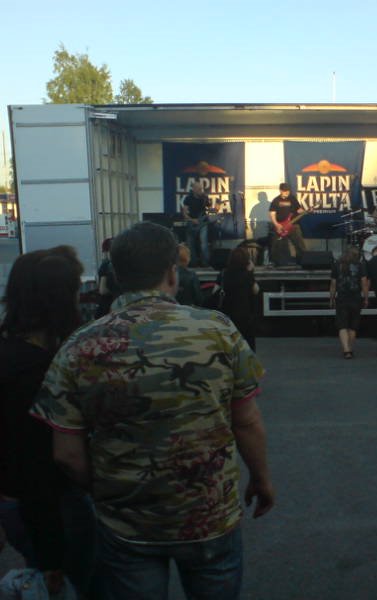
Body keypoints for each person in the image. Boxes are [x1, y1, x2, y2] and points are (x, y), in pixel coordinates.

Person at [30, 222, 274, 600]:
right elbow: (247, 421)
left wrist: (107, 490)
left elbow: (66, 454)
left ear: (117, 276)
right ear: (172, 273)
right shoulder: (217, 330)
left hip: (127, 524)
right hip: (208, 517)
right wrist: (261, 479)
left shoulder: (79, 346)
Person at [0, 246, 97, 598]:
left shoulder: (9, 354)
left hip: (14, 504)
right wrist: (51, 551)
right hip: (50, 509)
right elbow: (42, 463)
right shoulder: (41, 369)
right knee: (77, 583)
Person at [216, 247, 260, 351]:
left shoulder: (223, 274)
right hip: (245, 315)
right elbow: (256, 290)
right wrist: (251, 272)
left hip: (227, 315)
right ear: (246, 260)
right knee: (247, 345)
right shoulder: (247, 275)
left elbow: (215, 292)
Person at [329, 246, 368, 359]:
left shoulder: (337, 265)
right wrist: (366, 298)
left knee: (342, 325)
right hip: (356, 298)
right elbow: (364, 282)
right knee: (353, 326)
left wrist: (331, 298)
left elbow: (333, 284)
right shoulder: (360, 265)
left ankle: (346, 350)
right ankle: (350, 349)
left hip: (342, 298)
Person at [270, 183, 306, 263]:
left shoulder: (292, 199)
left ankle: (302, 261)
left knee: (299, 244)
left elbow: (298, 210)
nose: (287, 192)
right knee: (279, 245)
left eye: (288, 190)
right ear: (280, 191)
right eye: (285, 191)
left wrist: (305, 211)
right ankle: (279, 262)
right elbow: (272, 214)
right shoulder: (276, 200)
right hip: (281, 226)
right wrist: (277, 225)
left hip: (293, 225)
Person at [182, 181, 211, 267]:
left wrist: (216, 207)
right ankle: (192, 263)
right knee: (190, 244)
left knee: (204, 243)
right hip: (192, 223)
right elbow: (184, 214)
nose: (200, 190)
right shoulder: (188, 198)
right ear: (194, 189)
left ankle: (205, 263)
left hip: (203, 223)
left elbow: (209, 209)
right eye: (198, 189)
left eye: (201, 189)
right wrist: (192, 220)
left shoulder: (204, 198)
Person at [95, 237, 120, 318]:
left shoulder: (106, 265)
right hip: (108, 306)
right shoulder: (106, 265)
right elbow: (103, 290)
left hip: (108, 306)